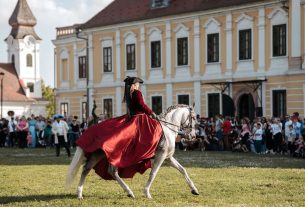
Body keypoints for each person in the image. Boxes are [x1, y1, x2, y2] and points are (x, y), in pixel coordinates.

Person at [76, 76, 162, 180]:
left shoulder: (128, 94)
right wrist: (152, 113)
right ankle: (151, 153)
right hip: (139, 119)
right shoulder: (137, 93)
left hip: (131, 118)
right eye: (138, 83)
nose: (139, 85)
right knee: (155, 130)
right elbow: (142, 105)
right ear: (134, 85)